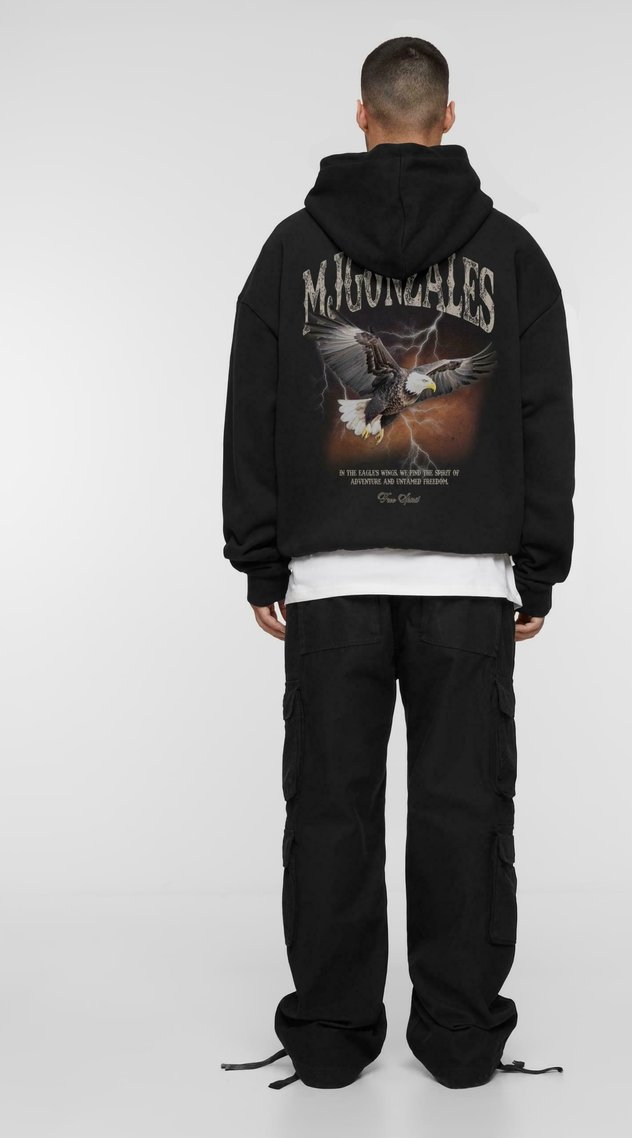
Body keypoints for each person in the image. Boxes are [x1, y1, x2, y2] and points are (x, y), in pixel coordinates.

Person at [220, 36, 575, 1091]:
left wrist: (261, 559)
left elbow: (251, 410)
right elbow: (543, 415)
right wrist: (539, 564)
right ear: (447, 118)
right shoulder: (512, 254)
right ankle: (460, 1044)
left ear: (363, 116)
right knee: (465, 812)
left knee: (330, 812)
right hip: (466, 585)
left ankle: (330, 1043)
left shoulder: (291, 251)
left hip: (330, 584)